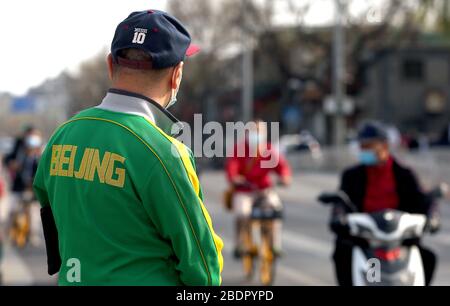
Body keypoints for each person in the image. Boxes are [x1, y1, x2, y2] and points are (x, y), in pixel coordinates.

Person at [33, 10, 223, 286]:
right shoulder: (166, 152)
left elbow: (50, 215)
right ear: (176, 75)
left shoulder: (64, 134)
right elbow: (203, 266)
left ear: (111, 65)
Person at [332, 121, 439, 286]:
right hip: (365, 240)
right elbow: (342, 201)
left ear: (385, 146)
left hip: (399, 240)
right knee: (343, 254)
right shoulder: (352, 176)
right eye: (362, 146)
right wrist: (339, 217)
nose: (364, 151)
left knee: (428, 258)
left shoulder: (404, 174)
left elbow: (422, 199)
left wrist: (432, 217)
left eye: (369, 146)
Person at [225, 119, 291, 258]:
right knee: (243, 213)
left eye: (260, 131)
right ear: (247, 133)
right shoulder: (240, 149)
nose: (257, 134)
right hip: (244, 191)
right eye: (254, 131)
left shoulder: (268, 150)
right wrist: (235, 178)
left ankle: (275, 246)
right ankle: (240, 244)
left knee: (276, 211)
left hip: (264, 190)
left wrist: (284, 178)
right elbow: (232, 167)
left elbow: (282, 167)